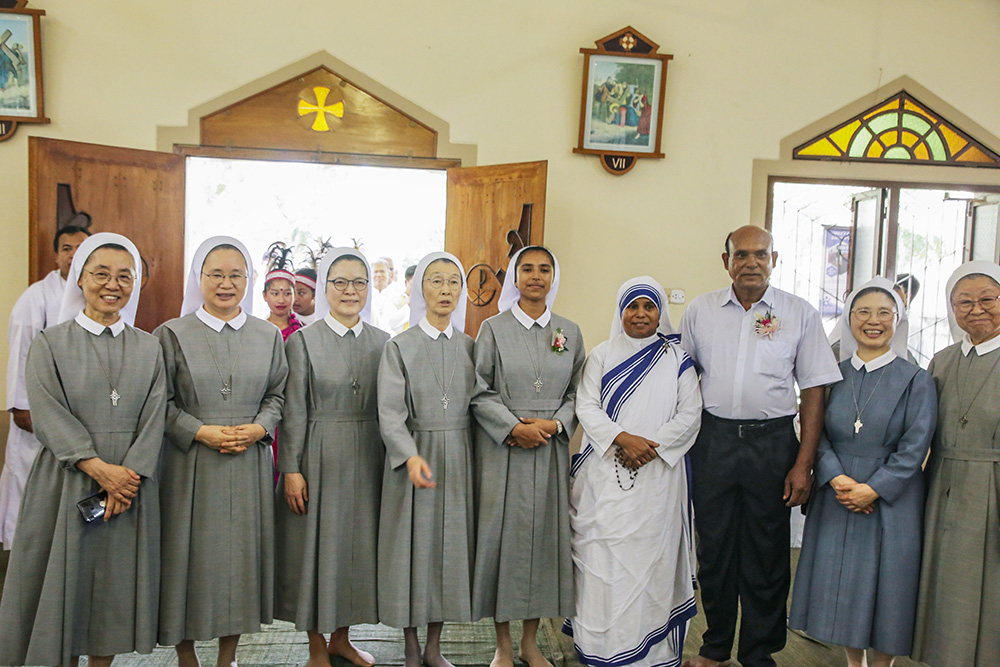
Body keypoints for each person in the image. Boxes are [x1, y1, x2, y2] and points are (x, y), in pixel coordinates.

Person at [0, 233, 166, 667]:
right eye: (101, 274)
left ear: (135, 283)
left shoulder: (149, 346)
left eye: (124, 276)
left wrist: (126, 476)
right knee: (62, 585)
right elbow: (48, 412)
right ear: (79, 279)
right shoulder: (51, 343)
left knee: (111, 589)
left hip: (128, 487)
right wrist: (100, 470)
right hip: (67, 478)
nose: (113, 285)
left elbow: (154, 418)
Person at [679, 226, 841, 667]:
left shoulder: (800, 313)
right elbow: (679, 377)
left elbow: (813, 390)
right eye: (742, 254)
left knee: (766, 551)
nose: (752, 262)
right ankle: (714, 647)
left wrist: (804, 463)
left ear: (775, 259)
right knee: (713, 547)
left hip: (772, 444)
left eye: (761, 255)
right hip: (711, 440)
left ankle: (757, 652)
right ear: (725, 259)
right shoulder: (699, 310)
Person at [790, 277, 936, 667]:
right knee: (845, 585)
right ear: (850, 319)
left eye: (884, 313)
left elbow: (915, 446)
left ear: (898, 320)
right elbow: (813, 431)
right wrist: (837, 478)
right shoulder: (831, 375)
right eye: (863, 312)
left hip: (891, 497)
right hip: (837, 491)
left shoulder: (917, 379)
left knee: (887, 587)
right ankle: (855, 664)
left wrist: (874, 489)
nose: (873, 321)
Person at [156, 236, 288, 667]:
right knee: (187, 560)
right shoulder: (171, 334)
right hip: (190, 464)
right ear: (199, 279)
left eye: (236, 275)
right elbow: (161, 403)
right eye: (216, 274)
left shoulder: (267, 334)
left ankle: (228, 657)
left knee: (238, 563)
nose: (226, 283)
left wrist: (258, 428)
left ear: (248, 281)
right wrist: (199, 432)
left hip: (248, 462)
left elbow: (277, 395)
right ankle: (186, 655)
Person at [565, 276, 701, 667]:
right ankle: (602, 648)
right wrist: (624, 439)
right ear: (621, 312)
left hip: (658, 483)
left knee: (651, 565)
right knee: (604, 563)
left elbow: (690, 414)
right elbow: (586, 407)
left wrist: (649, 446)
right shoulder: (602, 355)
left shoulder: (677, 359)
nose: (640, 314)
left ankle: (652, 653)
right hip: (605, 478)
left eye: (649, 306)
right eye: (633, 306)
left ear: (660, 312)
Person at [275, 248, 389, 667]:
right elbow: (292, 411)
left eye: (358, 282)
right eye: (339, 282)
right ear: (325, 288)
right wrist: (291, 468)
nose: (349, 290)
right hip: (318, 454)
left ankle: (342, 638)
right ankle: (315, 646)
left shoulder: (383, 341)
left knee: (355, 550)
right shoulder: (303, 340)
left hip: (369, 455)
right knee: (314, 550)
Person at [471, 246, 585, 667]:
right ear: (515, 278)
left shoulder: (569, 331)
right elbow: (478, 389)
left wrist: (555, 426)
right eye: (527, 269)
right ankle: (503, 644)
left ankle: (530, 641)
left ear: (553, 277)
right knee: (505, 545)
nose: (536, 276)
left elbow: (579, 392)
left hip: (549, 452)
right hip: (506, 452)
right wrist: (514, 427)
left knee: (542, 544)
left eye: (544, 269)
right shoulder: (493, 329)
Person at [377, 251, 491, 667]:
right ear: (419, 288)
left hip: (458, 458)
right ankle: (410, 644)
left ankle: (433, 646)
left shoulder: (470, 346)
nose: (445, 290)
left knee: (449, 552)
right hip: (415, 459)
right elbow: (390, 413)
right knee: (414, 551)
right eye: (436, 281)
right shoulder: (399, 346)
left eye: (453, 283)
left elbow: (483, 405)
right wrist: (408, 456)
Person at [913, 260, 1000, 667]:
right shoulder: (942, 360)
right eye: (964, 302)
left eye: (988, 299)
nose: (976, 309)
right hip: (943, 483)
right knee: (944, 584)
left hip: (993, 485)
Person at [0, 224, 90, 549]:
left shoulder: (90, 296)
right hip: (34, 414)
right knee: (28, 487)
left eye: (81, 248)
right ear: (56, 255)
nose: (73, 255)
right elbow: (20, 353)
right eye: (67, 248)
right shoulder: (35, 297)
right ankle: (18, 555)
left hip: (74, 415)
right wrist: (21, 405)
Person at [263, 242, 304, 341]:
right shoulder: (258, 330)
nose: (281, 300)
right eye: (275, 293)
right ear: (264, 295)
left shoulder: (302, 332)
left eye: (287, 294)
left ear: (294, 295)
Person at [371, 256, 403, 331]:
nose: (378, 275)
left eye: (382, 271)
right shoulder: (366, 295)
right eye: (375, 272)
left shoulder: (398, 294)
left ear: (389, 274)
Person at [387, 264, 416, 334]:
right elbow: (391, 323)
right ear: (406, 282)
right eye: (415, 283)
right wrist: (409, 306)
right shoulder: (395, 299)